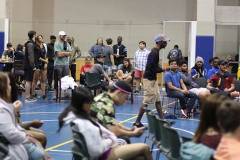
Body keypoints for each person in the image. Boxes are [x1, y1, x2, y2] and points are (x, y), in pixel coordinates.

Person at [58, 87, 152, 160]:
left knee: (140, 158)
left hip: (103, 150)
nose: (92, 106)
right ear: (82, 104)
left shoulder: (83, 117)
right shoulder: (82, 123)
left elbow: (107, 127)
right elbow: (95, 150)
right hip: (102, 155)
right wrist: (111, 142)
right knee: (145, 148)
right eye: (90, 103)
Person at [0, 72, 47, 160]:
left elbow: (16, 125)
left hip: (16, 132)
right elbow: (11, 131)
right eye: (8, 84)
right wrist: (27, 135)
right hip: (12, 140)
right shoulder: (3, 108)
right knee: (40, 139)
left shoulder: (9, 102)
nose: (10, 87)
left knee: (41, 136)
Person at [133, 34, 168, 127]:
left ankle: (162, 121)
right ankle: (137, 122)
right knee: (146, 101)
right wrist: (163, 69)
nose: (166, 43)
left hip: (153, 79)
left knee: (157, 100)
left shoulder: (156, 51)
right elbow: (152, 68)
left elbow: (154, 67)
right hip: (149, 80)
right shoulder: (154, 53)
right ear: (160, 42)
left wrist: (161, 69)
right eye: (164, 42)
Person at [54, 31, 72, 97]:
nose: (64, 36)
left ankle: (65, 93)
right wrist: (66, 53)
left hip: (66, 64)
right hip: (58, 64)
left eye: (65, 35)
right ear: (59, 36)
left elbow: (70, 53)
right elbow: (58, 54)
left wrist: (63, 53)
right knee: (57, 79)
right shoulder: (56, 43)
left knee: (66, 79)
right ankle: (57, 94)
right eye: (63, 35)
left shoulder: (66, 43)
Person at [32, 35, 48, 99]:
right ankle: (33, 93)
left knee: (43, 80)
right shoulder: (35, 47)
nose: (40, 39)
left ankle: (43, 94)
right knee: (35, 80)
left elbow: (46, 55)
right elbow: (37, 57)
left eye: (41, 38)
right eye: (39, 38)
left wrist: (46, 63)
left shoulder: (44, 46)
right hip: (37, 64)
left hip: (43, 65)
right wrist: (45, 61)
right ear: (37, 39)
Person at [24, 30, 37, 102]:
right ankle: (27, 97)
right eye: (35, 35)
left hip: (28, 65)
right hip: (29, 65)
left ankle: (29, 96)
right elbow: (30, 56)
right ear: (34, 35)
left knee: (30, 80)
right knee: (28, 81)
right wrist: (33, 65)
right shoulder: (30, 44)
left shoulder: (29, 43)